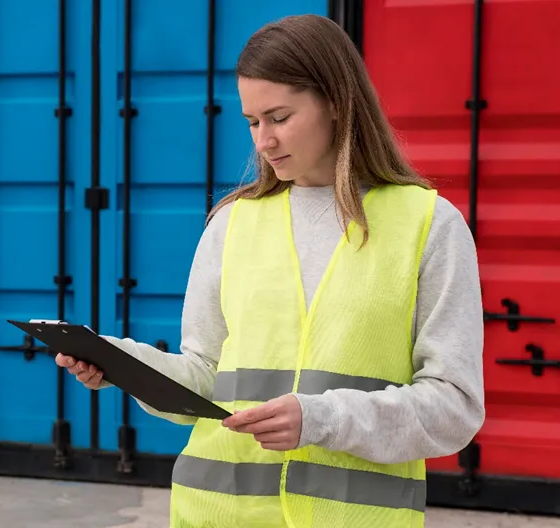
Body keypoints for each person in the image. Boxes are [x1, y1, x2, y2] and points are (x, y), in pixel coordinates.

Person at [54, 13, 484, 528]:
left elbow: (454, 407)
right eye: (252, 122)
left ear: (336, 102)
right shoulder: (232, 223)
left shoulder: (427, 225)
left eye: (279, 118)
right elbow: (205, 380)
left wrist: (320, 419)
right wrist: (124, 365)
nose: (263, 141)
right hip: (215, 513)